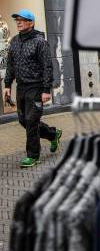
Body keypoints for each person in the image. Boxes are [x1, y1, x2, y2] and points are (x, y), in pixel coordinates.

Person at [3, 9, 62, 168]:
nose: (19, 22)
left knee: (31, 121)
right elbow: (11, 66)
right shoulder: (14, 41)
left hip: (36, 87)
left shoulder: (39, 42)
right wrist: (7, 85)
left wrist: (46, 89)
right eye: (17, 20)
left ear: (31, 23)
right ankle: (53, 133)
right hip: (21, 88)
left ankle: (33, 156)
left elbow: (47, 67)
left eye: (22, 20)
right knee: (24, 120)